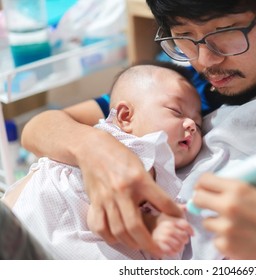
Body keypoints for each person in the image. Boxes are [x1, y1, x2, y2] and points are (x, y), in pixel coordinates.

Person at [21, 0, 256, 259]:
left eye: (225, 32)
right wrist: (97, 151)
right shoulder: (186, 88)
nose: (206, 60)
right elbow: (41, 126)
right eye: (184, 35)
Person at [2, 63, 202, 259]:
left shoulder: (159, 170)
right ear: (125, 116)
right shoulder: (136, 148)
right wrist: (151, 224)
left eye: (200, 125)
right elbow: (101, 213)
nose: (192, 124)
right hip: (37, 218)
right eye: (176, 112)